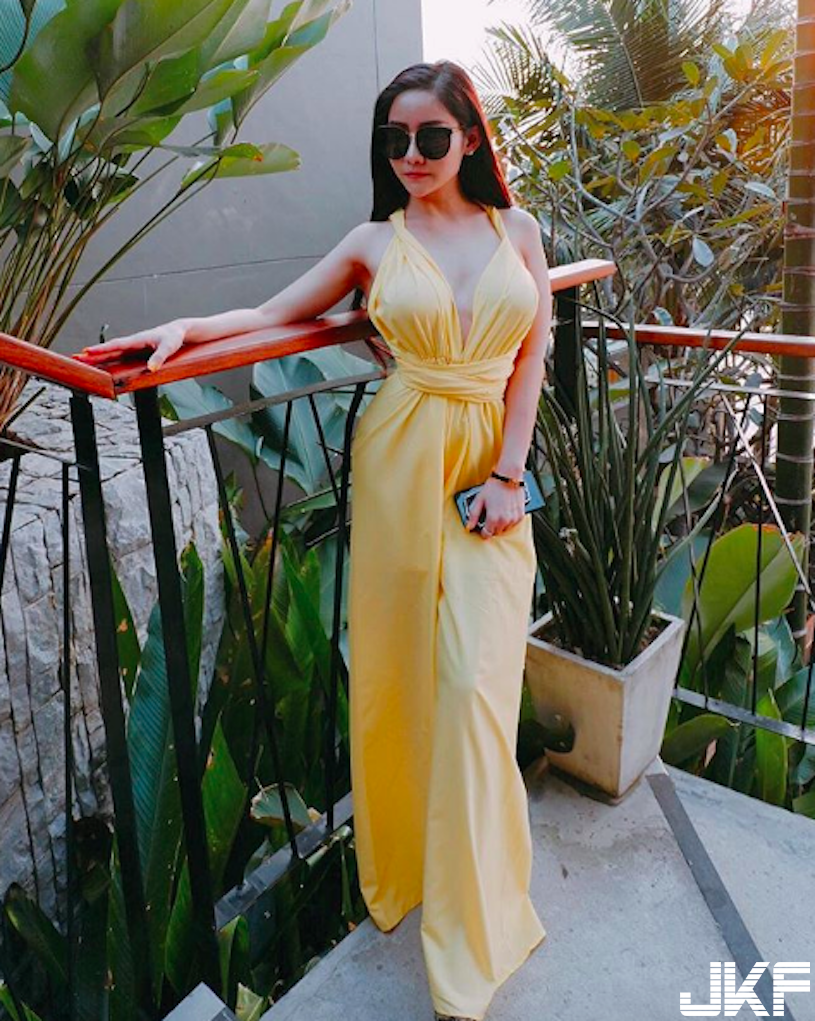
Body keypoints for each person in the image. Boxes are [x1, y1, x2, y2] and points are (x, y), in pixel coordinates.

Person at [77, 59, 553, 1021]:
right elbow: (271, 316)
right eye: (394, 140)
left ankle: (477, 922)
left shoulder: (520, 231)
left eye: (431, 136)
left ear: (468, 138)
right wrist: (182, 328)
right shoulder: (375, 242)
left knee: (475, 689)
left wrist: (510, 474)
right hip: (399, 463)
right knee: (396, 673)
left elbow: (531, 351)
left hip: (486, 479)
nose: (411, 154)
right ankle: (412, 875)